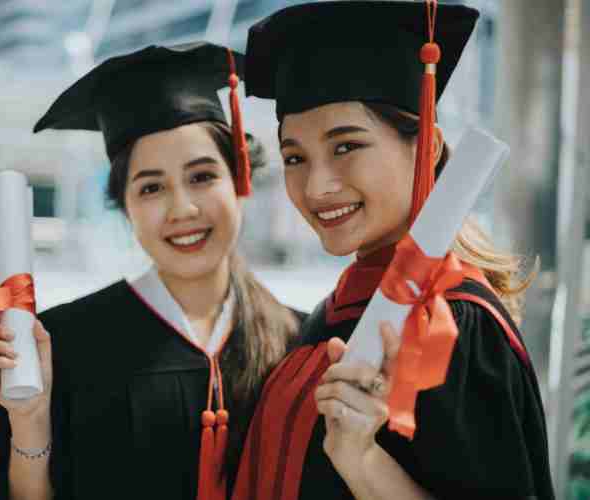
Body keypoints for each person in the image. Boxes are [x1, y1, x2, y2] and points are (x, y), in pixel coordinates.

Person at [0, 42, 303, 500]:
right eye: (151, 187)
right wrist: (30, 421)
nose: (183, 208)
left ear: (240, 179)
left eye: (202, 176)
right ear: (125, 206)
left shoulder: (299, 340)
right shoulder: (59, 345)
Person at [231, 2, 554, 499]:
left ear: (425, 145)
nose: (316, 186)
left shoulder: (450, 327)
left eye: (346, 146)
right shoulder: (333, 313)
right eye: (295, 156)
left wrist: (362, 461)